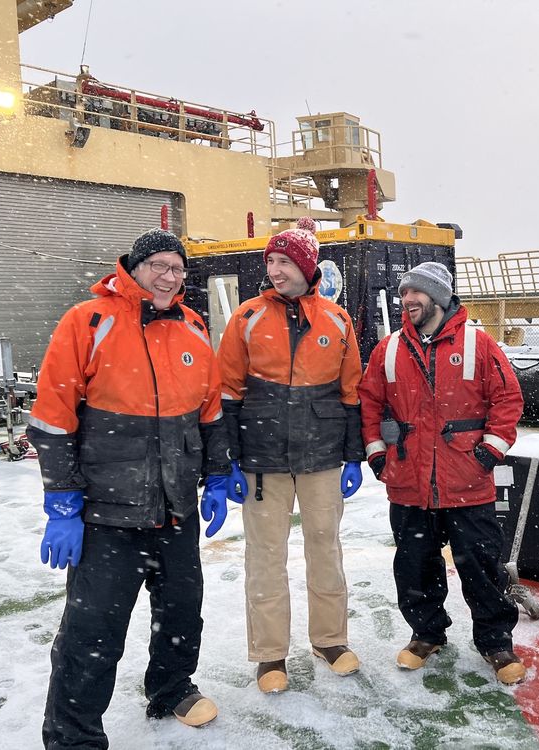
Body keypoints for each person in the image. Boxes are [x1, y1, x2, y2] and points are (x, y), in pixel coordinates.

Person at [28, 229, 245, 748]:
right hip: (107, 513)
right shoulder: (88, 321)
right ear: (135, 266)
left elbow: (210, 413)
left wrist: (217, 476)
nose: (170, 277)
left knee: (181, 610)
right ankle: (73, 735)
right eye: (160, 266)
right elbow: (53, 418)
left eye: (178, 269)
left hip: (175, 506)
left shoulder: (193, 326)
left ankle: (171, 689)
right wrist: (62, 503)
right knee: (93, 631)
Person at [358, 261, 528, 685]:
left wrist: (489, 452)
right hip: (409, 483)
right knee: (414, 565)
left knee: (482, 566)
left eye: (415, 293)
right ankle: (426, 634)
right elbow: (369, 405)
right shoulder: (389, 349)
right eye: (403, 295)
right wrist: (379, 456)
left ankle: (495, 641)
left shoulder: (479, 345)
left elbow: (508, 400)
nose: (407, 301)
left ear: (438, 296)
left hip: (468, 483)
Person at [216, 216, 365, 694]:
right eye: (271, 261)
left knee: (326, 550)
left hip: (322, 459)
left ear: (305, 266)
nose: (274, 270)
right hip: (262, 461)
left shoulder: (338, 320)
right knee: (265, 558)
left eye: (283, 261)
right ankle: (270, 655)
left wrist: (354, 457)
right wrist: (230, 460)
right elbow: (227, 393)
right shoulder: (247, 318)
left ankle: (329, 640)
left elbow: (351, 393)